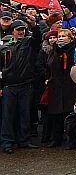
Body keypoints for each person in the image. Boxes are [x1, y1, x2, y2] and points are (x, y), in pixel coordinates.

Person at [0, 15, 42, 153]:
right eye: (18, 29)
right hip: (8, 85)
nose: (21, 32)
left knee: (25, 114)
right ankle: (7, 142)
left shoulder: (29, 43)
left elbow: (38, 39)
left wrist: (34, 25)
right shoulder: (4, 47)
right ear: (12, 31)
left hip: (25, 84)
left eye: (23, 29)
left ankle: (24, 140)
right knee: (8, 115)